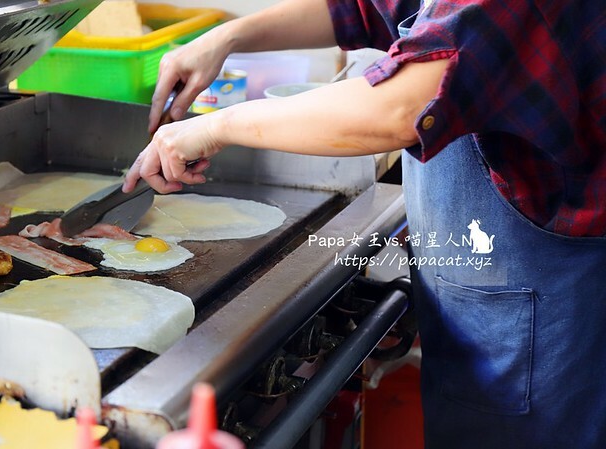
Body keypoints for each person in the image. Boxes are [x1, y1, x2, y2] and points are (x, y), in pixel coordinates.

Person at [122, 0, 606, 448]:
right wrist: (227, 37)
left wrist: (213, 126)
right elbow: (366, 6)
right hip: (491, 286)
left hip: (541, 294)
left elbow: (399, 107)